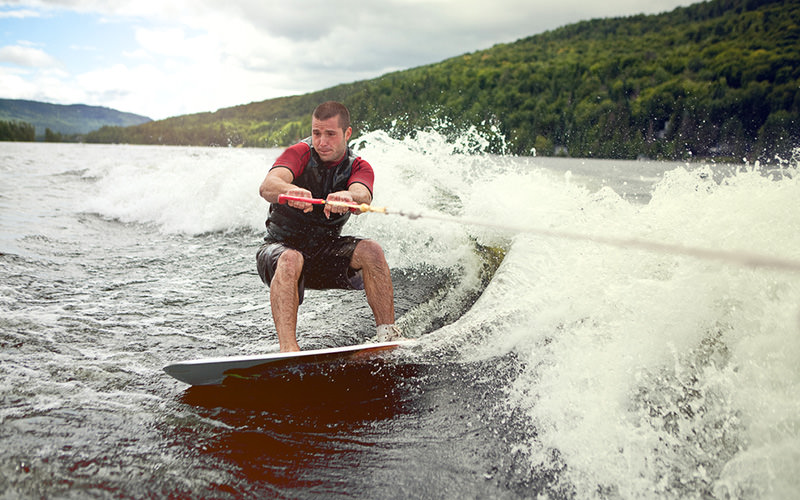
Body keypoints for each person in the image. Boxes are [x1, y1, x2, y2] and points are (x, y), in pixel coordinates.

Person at [256, 101, 402, 352]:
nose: (321, 141)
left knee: (372, 251)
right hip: (279, 253)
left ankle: (388, 338)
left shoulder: (359, 166)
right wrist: (290, 190)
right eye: (316, 133)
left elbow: (363, 195)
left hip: (323, 256)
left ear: (347, 134)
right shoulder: (299, 153)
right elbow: (268, 185)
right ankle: (289, 350)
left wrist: (348, 196)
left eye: (330, 134)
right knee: (291, 258)